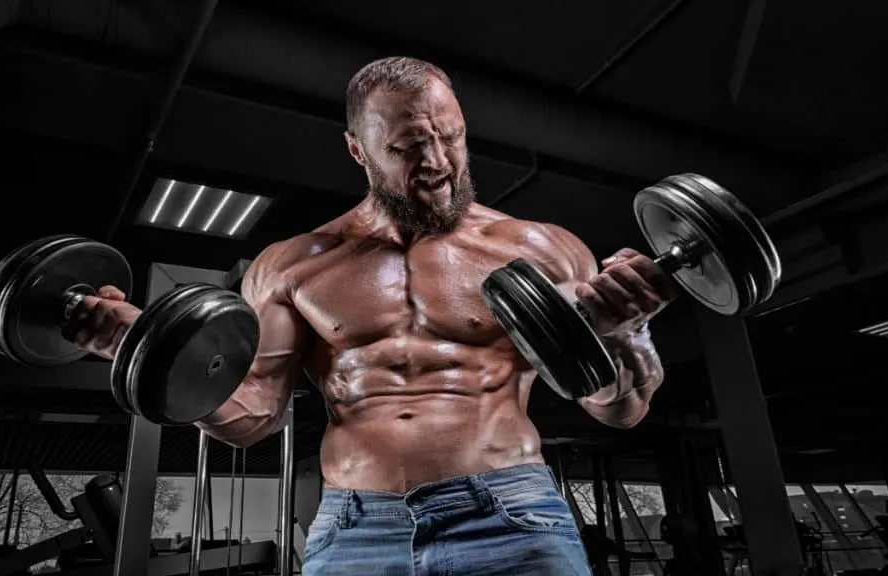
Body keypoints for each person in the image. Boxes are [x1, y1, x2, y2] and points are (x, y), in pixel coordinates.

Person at [73, 57, 676, 575]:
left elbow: (620, 408)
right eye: (408, 146)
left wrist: (628, 334)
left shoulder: (540, 249)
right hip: (358, 528)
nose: (439, 162)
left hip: (512, 515)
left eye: (453, 136)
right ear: (358, 148)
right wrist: (148, 352)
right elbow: (252, 417)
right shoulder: (292, 266)